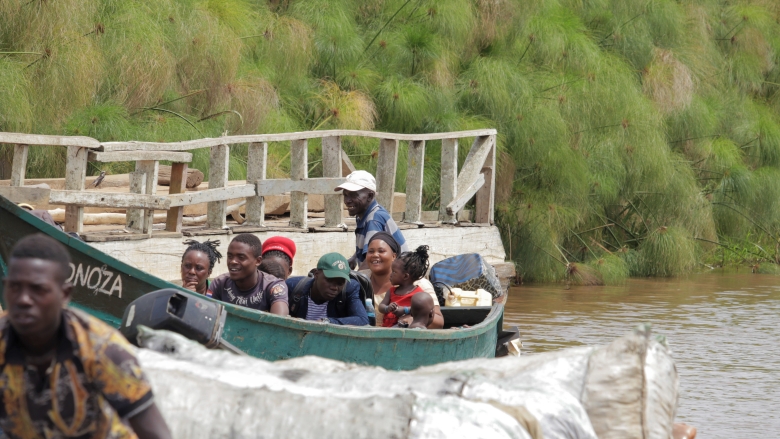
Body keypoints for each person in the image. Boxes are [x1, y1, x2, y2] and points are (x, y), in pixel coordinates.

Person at [0, 234, 172, 439]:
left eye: (38, 289)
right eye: (14, 287)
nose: (23, 300)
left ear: (64, 294)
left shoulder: (102, 348)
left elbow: (155, 433)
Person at [365, 232, 443, 328]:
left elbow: (439, 321)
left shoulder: (418, 283)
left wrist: (415, 318)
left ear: (394, 256)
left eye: (381, 251)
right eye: (371, 251)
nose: (375, 255)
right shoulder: (361, 280)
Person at [334, 170, 408, 269]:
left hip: (397, 274)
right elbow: (369, 247)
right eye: (346, 195)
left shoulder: (373, 220)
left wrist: (356, 279)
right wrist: (355, 258)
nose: (347, 201)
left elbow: (371, 261)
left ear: (370, 196)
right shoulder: (364, 214)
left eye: (353, 195)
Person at [208, 234, 289, 316]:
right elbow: (207, 316)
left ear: (258, 261)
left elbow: (279, 324)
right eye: (230, 256)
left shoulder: (274, 286)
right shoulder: (219, 283)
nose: (233, 261)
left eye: (241, 257)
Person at [285, 253, 369, 326]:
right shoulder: (294, 287)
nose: (334, 287)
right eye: (329, 280)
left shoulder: (349, 289)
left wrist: (327, 322)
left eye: (340, 283)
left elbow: (362, 319)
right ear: (316, 274)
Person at [378, 245, 431, 327]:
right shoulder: (391, 291)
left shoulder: (418, 294)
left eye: (394, 272)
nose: (390, 275)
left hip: (406, 330)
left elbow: (423, 311)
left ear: (405, 276)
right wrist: (387, 308)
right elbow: (381, 307)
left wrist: (405, 310)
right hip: (387, 330)